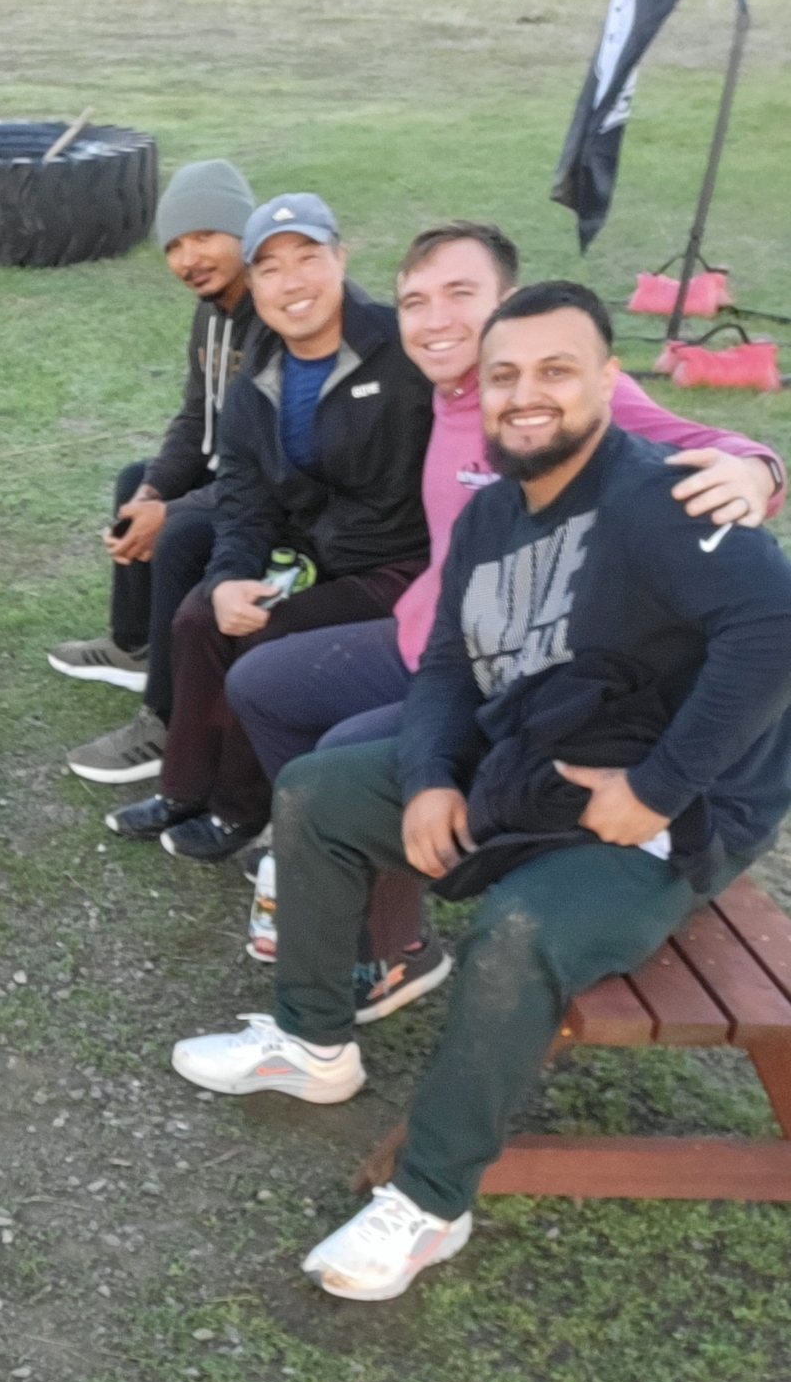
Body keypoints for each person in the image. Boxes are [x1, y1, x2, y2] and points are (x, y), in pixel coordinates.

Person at [170, 283, 791, 1301]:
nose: (524, 394)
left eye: (555, 370)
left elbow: (772, 631)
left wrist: (658, 786)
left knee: (519, 933)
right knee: (321, 792)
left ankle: (429, 1201)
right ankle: (313, 1042)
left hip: (667, 814)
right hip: (532, 761)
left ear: (607, 381)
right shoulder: (494, 511)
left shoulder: (660, 500)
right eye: (504, 375)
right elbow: (451, 664)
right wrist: (424, 780)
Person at [224, 220, 784, 985]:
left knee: (347, 754)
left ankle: (391, 948)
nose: (436, 320)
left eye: (462, 295)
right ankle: (345, 870)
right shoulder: (437, 387)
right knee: (261, 684)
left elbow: (698, 445)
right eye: (415, 302)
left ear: (508, 303)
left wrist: (756, 468)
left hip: (510, 664)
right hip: (428, 631)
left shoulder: (550, 399)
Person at [107, 193, 434, 862]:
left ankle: (239, 811)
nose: (293, 283)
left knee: (269, 636)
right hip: (312, 551)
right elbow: (243, 495)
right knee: (201, 617)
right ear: (253, 285)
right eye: (271, 268)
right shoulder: (256, 373)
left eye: (308, 258)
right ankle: (183, 789)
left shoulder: (403, 349)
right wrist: (230, 576)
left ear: (341, 259)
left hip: (397, 564)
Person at [49, 159, 262, 786]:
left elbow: (270, 472)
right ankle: (134, 645)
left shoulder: (274, 317)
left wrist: (170, 511)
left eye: (205, 236)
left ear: (243, 232)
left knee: (177, 533)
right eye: (174, 245)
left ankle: (167, 722)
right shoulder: (211, 311)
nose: (189, 258)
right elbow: (197, 419)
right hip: (228, 474)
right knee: (134, 481)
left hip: (266, 493)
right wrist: (152, 492)